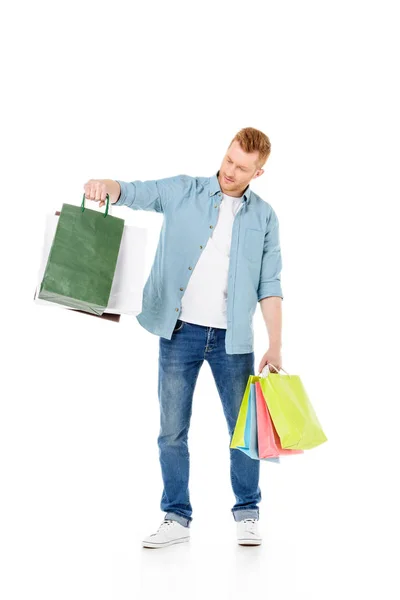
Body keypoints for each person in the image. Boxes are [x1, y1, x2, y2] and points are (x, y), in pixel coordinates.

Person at [83, 127, 284, 549]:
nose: (230, 171)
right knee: (171, 431)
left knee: (242, 431)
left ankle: (247, 513)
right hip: (179, 333)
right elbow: (137, 193)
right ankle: (176, 517)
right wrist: (107, 187)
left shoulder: (264, 217)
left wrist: (276, 343)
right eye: (229, 160)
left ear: (258, 172)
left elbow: (270, 284)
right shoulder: (183, 191)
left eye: (242, 167)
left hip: (235, 342)